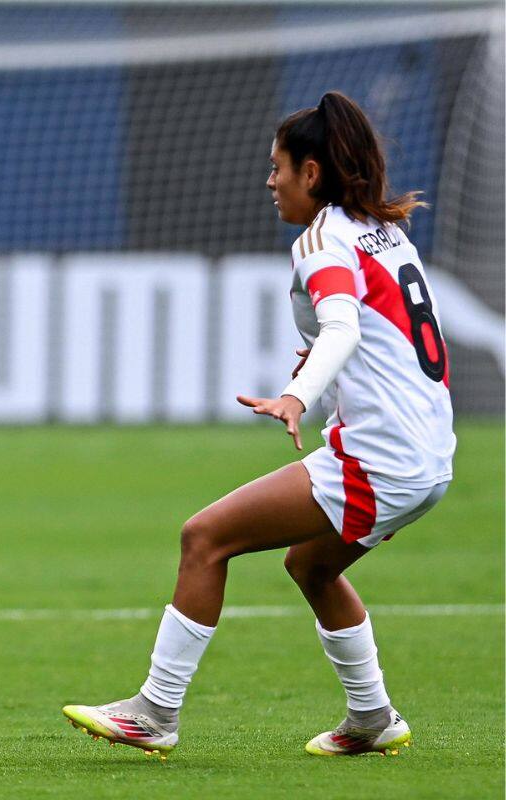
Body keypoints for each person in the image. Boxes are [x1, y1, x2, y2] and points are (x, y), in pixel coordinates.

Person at [62, 91, 455, 758]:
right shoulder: (385, 233)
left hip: (380, 456)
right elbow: (383, 336)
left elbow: (343, 327)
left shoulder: (323, 239)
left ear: (312, 172)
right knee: (312, 566)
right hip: (429, 455)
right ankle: (372, 717)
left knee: (205, 537)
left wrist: (297, 395)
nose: (270, 181)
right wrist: (329, 367)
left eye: (278, 167)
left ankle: (155, 712)